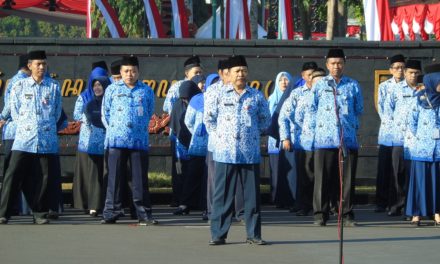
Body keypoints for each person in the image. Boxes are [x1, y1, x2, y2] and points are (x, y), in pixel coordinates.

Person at [204, 55, 271, 245]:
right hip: (225, 153)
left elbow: (265, 119)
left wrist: (252, 133)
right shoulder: (218, 94)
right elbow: (209, 119)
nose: (241, 74)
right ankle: (218, 234)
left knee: (252, 198)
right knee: (222, 196)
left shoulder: (256, 95)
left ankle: (253, 235)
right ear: (229, 74)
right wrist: (220, 138)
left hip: (249, 153)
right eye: (237, 71)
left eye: (243, 70)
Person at [0, 50, 62, 224]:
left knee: (44, 177)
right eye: (38, 64)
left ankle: (39, 213)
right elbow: (15, 110)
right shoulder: (19, 85)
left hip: (46, 139)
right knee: (13, 174)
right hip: (24, 138)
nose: (41, 67)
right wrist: (28, 125)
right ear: (30, 66)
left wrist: (45, 125)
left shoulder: (54, 86)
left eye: (44, 64)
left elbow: (57, 112)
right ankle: (3, 212)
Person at [101, 56, 157, 225]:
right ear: (120, 72)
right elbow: (106, 113)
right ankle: (111, 212)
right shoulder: (111, 89)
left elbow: (149, 111)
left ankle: (142, 213)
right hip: (116, 140)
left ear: (138, 71)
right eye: (126, 71)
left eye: (133, 71)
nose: (130, 74)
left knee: (140, 178)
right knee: (115, 178)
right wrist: (115, 129)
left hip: (138, 140)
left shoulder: (146, 90)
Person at [311, 48, 363, 227]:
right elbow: (312, 108)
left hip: (347, 140)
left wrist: (350, 127)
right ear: (327, 65)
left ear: (344, 64)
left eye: (339, 63)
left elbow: (359, 109)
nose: (336, 66)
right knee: (322, 179)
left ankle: (347, 213)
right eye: (332, 63)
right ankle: (320, 214)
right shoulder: (319, 85)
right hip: (324, 140)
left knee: (347, 180)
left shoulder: (353, 85)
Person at [279, 62, 318, 216]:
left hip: (322, 142)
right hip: (302, 141)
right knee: (304, 176)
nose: (311, 78)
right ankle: (303, 205)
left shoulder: (325, 92)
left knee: (321, 176)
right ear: (303, 76)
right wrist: (285, 137)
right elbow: (283, 116)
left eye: (314, 75)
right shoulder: (297, 93)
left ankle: (321, 206)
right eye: (308, 75)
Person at [163, 55, 203, 207]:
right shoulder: (177, 87)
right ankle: (178, 198)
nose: (198, 75)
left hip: (196, 135)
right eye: (195, 72)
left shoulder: (201, 87)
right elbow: (167, 107)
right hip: (178, 134)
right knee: (179, 168)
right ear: (187, 73)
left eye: (200, 72)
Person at [405, 63, 440, 226]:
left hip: (439, 150)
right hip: (422, 148)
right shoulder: (418, 99)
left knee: (437, 182)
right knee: (420, 182)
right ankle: (416, 213)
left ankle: (437, 212)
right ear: (432, 81)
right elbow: (411, 123)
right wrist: (423, 136)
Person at [387, 59, 422, 216]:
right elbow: (388, 111)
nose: (413, 75)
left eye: (416, 73)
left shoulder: (424, 90)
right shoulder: (396, 90)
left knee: (415, 175)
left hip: (418, 141)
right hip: (400, 139)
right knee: (398, 174)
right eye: (410, 72)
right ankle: (398, 204)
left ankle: (414, 207)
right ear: (405, 72)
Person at [73, 76, 110, 217]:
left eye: (100, 85)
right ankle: (94, 206)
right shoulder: (89, 103)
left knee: (108, 174)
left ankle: (108, 204)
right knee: (94, 175)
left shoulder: (110, 102)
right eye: (95, 85)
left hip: (108, 144)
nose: (97, 88)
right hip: (93, 145)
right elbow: (85, 121)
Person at [184, 73, 220, 220]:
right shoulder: (197, 99)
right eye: (214, 83)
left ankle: (209, 208)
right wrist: (198, 134)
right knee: (194, 176)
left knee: (210, 180)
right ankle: (188, 204)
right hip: (198, 146)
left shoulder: (223, 99)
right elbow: (188, 122)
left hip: (217, 147)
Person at [375, 54, 406, 213]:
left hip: (401, 137)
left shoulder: (410, 86)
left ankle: (397, 203)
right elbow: (381, 107)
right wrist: (392, 123)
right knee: (383, 169)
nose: (399, 70)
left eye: (402, 67)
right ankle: (381, 202)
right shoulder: (384, 86)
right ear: (390, 70)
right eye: (396, 67)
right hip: (387, 133)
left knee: (398, 170)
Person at [0, 54, 30, 216]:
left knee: (11, 172)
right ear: (28, 65)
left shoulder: (11, 81)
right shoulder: (22, 82)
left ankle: (12, 206)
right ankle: (14, 207)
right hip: (19, 132)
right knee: (18, 171)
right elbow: (11, 106)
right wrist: (2, 117)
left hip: (10, 132)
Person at [170, 81, 202, 215]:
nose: (186, 101)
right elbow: (176, 125)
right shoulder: (178, 104)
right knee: (182, 174)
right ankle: (183, 202)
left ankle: (198, 203)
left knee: (197, 175)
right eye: (183, 98)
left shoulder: (200, 102)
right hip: (181, 145)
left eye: (187, 98)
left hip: (198, 145)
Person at [267, 71, 295, 209]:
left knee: (286, 170)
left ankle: (286, 197)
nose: (284, 82)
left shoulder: (292, 98)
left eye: (286, 80)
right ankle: (275, 198)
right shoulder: (271, 99)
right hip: (274, 142)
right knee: (275, 170)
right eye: (281, 80)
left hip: (287, 140)